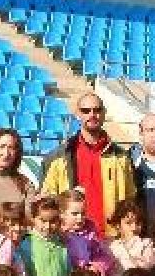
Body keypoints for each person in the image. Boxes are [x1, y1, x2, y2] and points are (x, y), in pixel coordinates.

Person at [41, 92, 135, 237]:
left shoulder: (121, 157)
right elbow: (48, 199)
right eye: (86, 111)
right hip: (70, 238)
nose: (92, 115)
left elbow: (130, 199)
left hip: (110, 238)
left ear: (104, 113)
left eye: (97, 110)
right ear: (78, 114)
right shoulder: (60, 156)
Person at [15, 197, 70, 276]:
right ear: (33, 219)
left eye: (52, 221)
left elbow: (67, 273)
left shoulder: (62, 244)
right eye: (43, 221)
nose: (47, 226)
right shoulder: (27, 245)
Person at [60, 188, 114, 276]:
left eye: (83, 213)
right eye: (75, 214)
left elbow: (101, 254)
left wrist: (97, 266)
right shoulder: (57, 234)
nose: (80, 218)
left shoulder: (89, 232)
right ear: (62, 214)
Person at [108, 198, 155, 276]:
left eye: (138, 223)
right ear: (118, 225)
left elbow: (147, 264)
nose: (134, 228)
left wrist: (136, 243)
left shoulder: (147, 243)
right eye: (128, 223)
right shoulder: (113, 246)